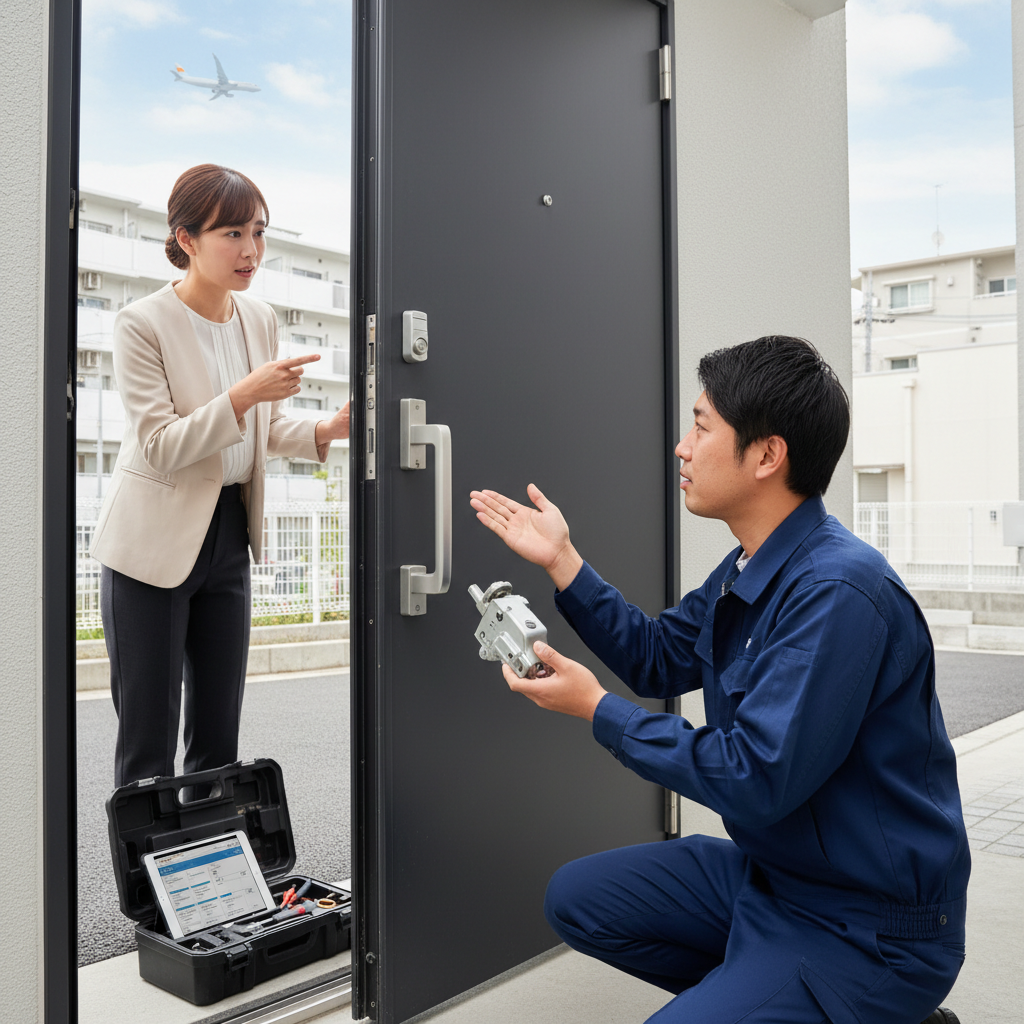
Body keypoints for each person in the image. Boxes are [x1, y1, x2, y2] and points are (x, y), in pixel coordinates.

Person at [469, 336, 968, 1024]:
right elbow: (658, 656)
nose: (682, 446)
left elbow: (754, 777)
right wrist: (563, 560)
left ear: (767, 455)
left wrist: (597, 710)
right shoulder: (751, 566)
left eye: (701, 427)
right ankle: (764, 990)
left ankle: (859, 1006)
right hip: (776, 881)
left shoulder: (839, 593)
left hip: (867, 927)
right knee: (576, 898)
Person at [91, 163, 350, 787]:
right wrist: (242, 396)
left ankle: (208, 878)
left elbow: (259, 433)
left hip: (229, 534)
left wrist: (325, 431)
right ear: (186, 238)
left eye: (258, 232)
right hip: (148, 547)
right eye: (232, 233)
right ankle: (148, 885)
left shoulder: (258, 319)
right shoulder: (141, 323)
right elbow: (159, 446)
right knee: (147, 744)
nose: (251, 250)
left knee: (218, 739)